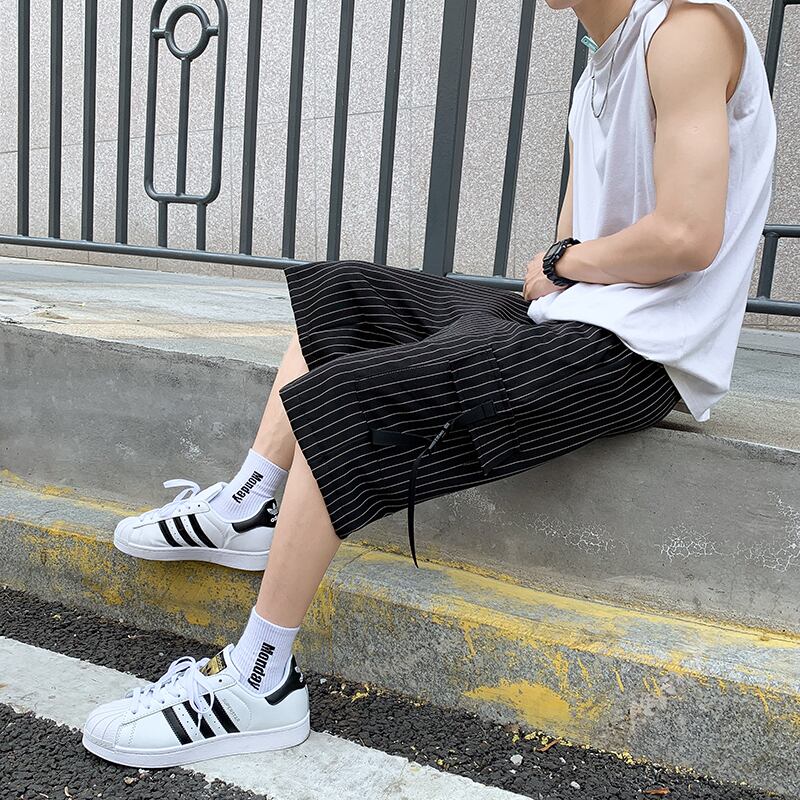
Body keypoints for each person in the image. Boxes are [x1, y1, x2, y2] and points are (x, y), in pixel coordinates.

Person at [82, 0, 776, 768]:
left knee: (354, 397)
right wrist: (562, 265)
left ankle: (258, 682)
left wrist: (563, 265)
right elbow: (571, 243)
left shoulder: (685, 31)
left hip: (639, 352)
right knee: (345, 295)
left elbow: (686, 234)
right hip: (576, 315)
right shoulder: (600, 66)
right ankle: (250, 505)